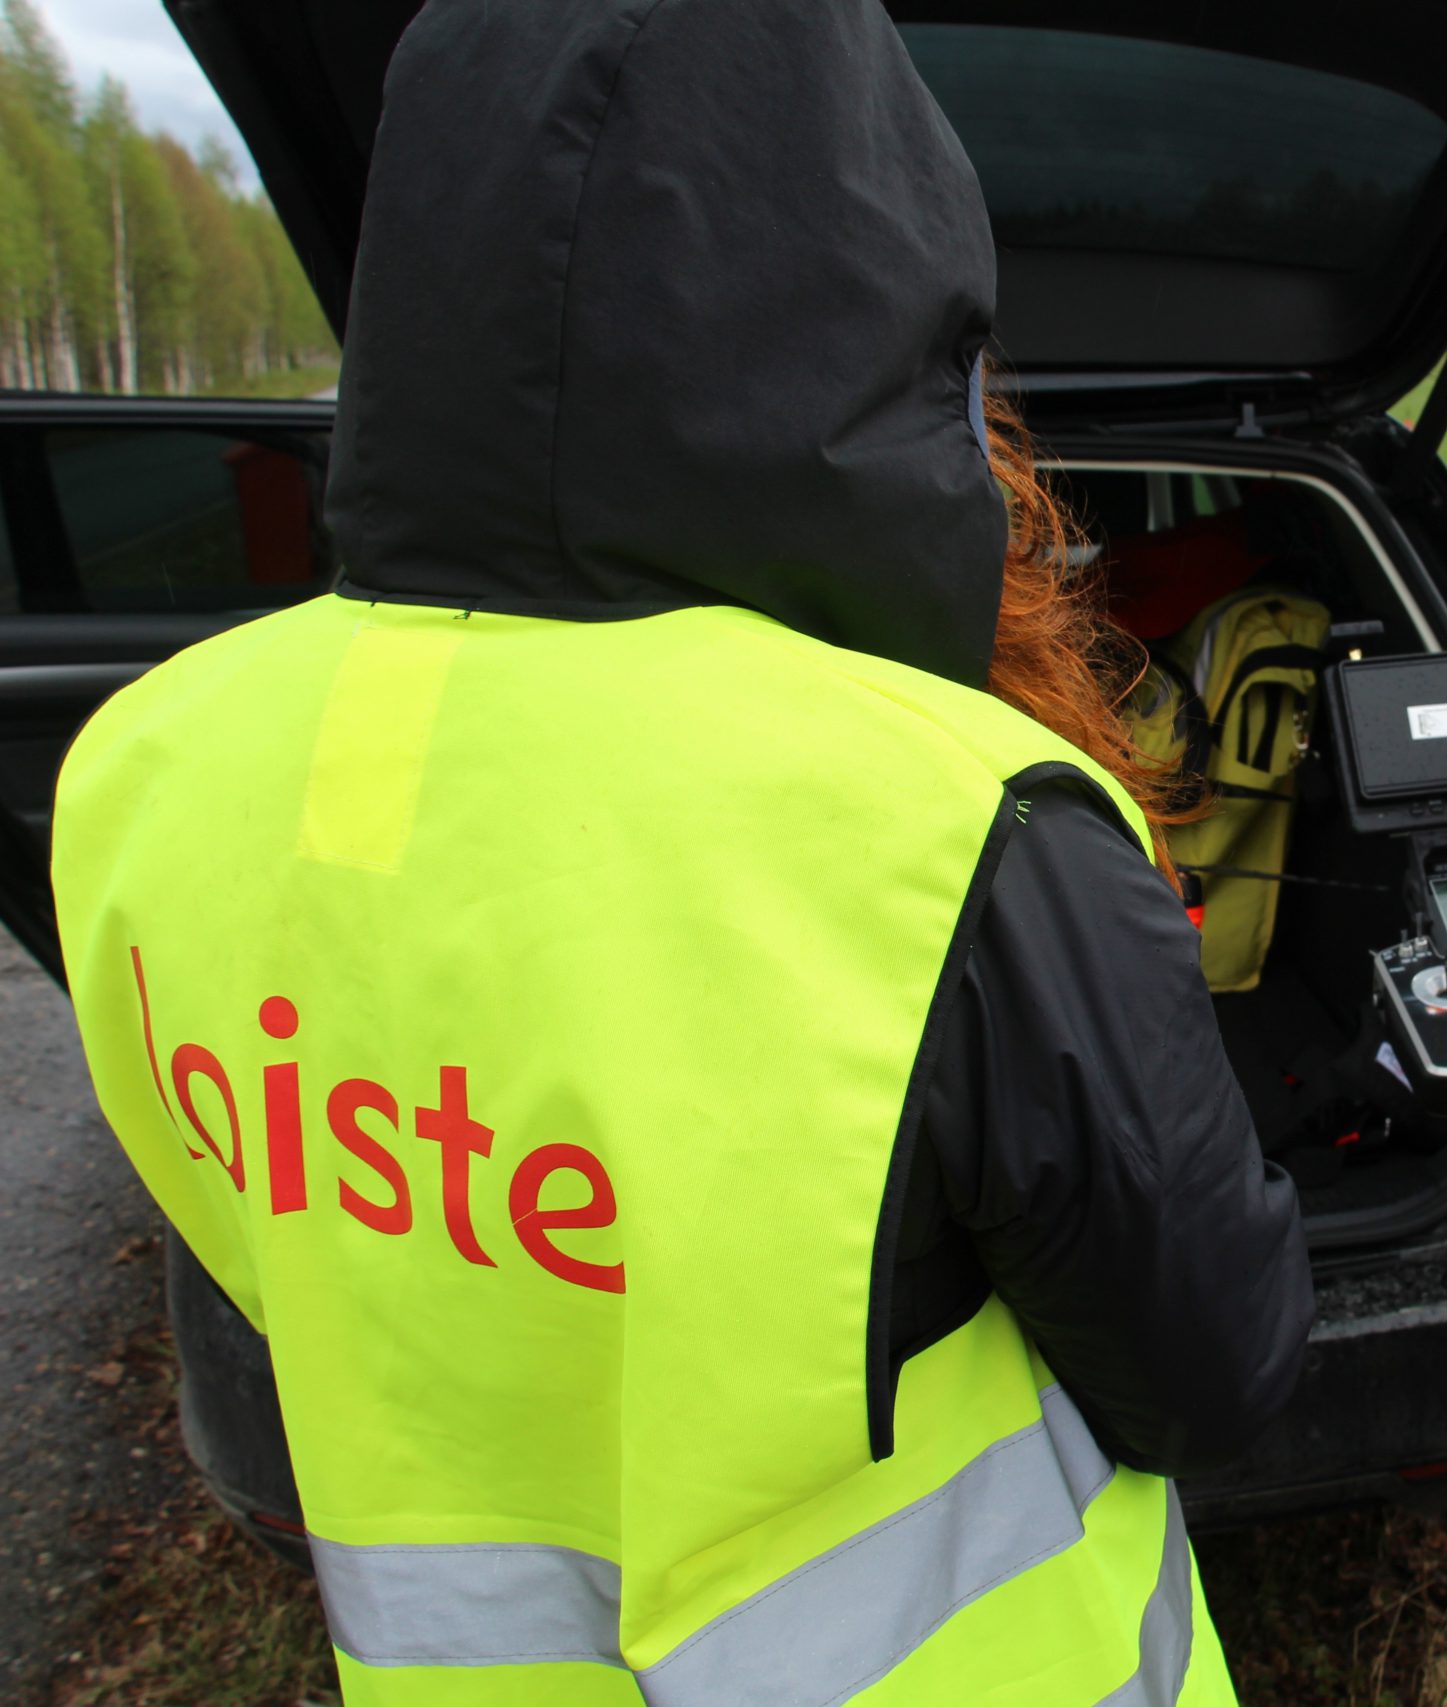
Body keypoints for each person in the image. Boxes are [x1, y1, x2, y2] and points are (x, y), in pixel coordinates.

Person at [47, 1, 1310, 1703]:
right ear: (867, 286)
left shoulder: (145, 762)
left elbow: (277, 1252)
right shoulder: (956, 825)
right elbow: (1212, 1372)